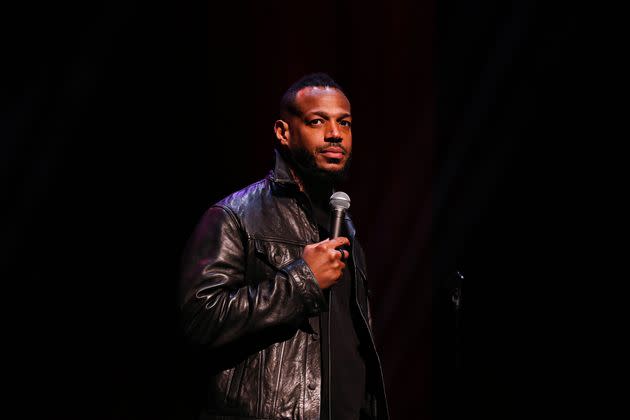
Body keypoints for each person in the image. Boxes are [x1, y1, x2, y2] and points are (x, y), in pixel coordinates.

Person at [179, 73, 389, 420]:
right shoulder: (236, 215)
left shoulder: (345, 224)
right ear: (283, 132)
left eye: (344, 122)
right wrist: (301, 280)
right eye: (317, 121)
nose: (335, 133)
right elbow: (200, 320)